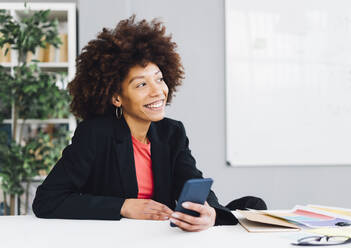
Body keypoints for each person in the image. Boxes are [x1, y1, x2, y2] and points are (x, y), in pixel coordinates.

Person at [32, 16, 238, 231]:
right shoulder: (95, 134)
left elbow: (193, 183)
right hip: (110, 239)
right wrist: (123, 206)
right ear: (116, 97)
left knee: (252, 204)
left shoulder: (172, 132)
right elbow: (48, 199)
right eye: (141, 84)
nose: (157, 91)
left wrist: (211, 213)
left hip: (159, 238)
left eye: (159, 79)